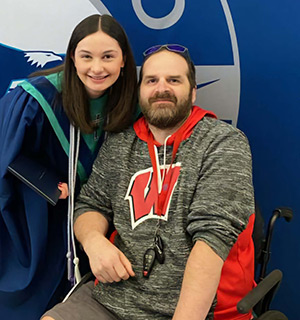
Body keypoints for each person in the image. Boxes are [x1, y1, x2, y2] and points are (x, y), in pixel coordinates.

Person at [42, 44, 255, 320]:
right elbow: (90, 205)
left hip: (196, 310)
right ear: (140, 92)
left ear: (192, 92)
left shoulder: (223, 143)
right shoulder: (120, 143)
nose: (161, 88)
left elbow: (212, 241)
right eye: (152, 80)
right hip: (114, 299)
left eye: (174, 80)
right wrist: (94, 241)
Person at [0, 14, 138, 320]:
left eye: (108, 57)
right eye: (86, 56)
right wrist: (47, 183)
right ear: (72, 58)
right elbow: (5, 154)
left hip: (102, 223)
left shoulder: (132, 103)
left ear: (123, 60)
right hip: (41, 218)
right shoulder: (36, 98)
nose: (97, 68)